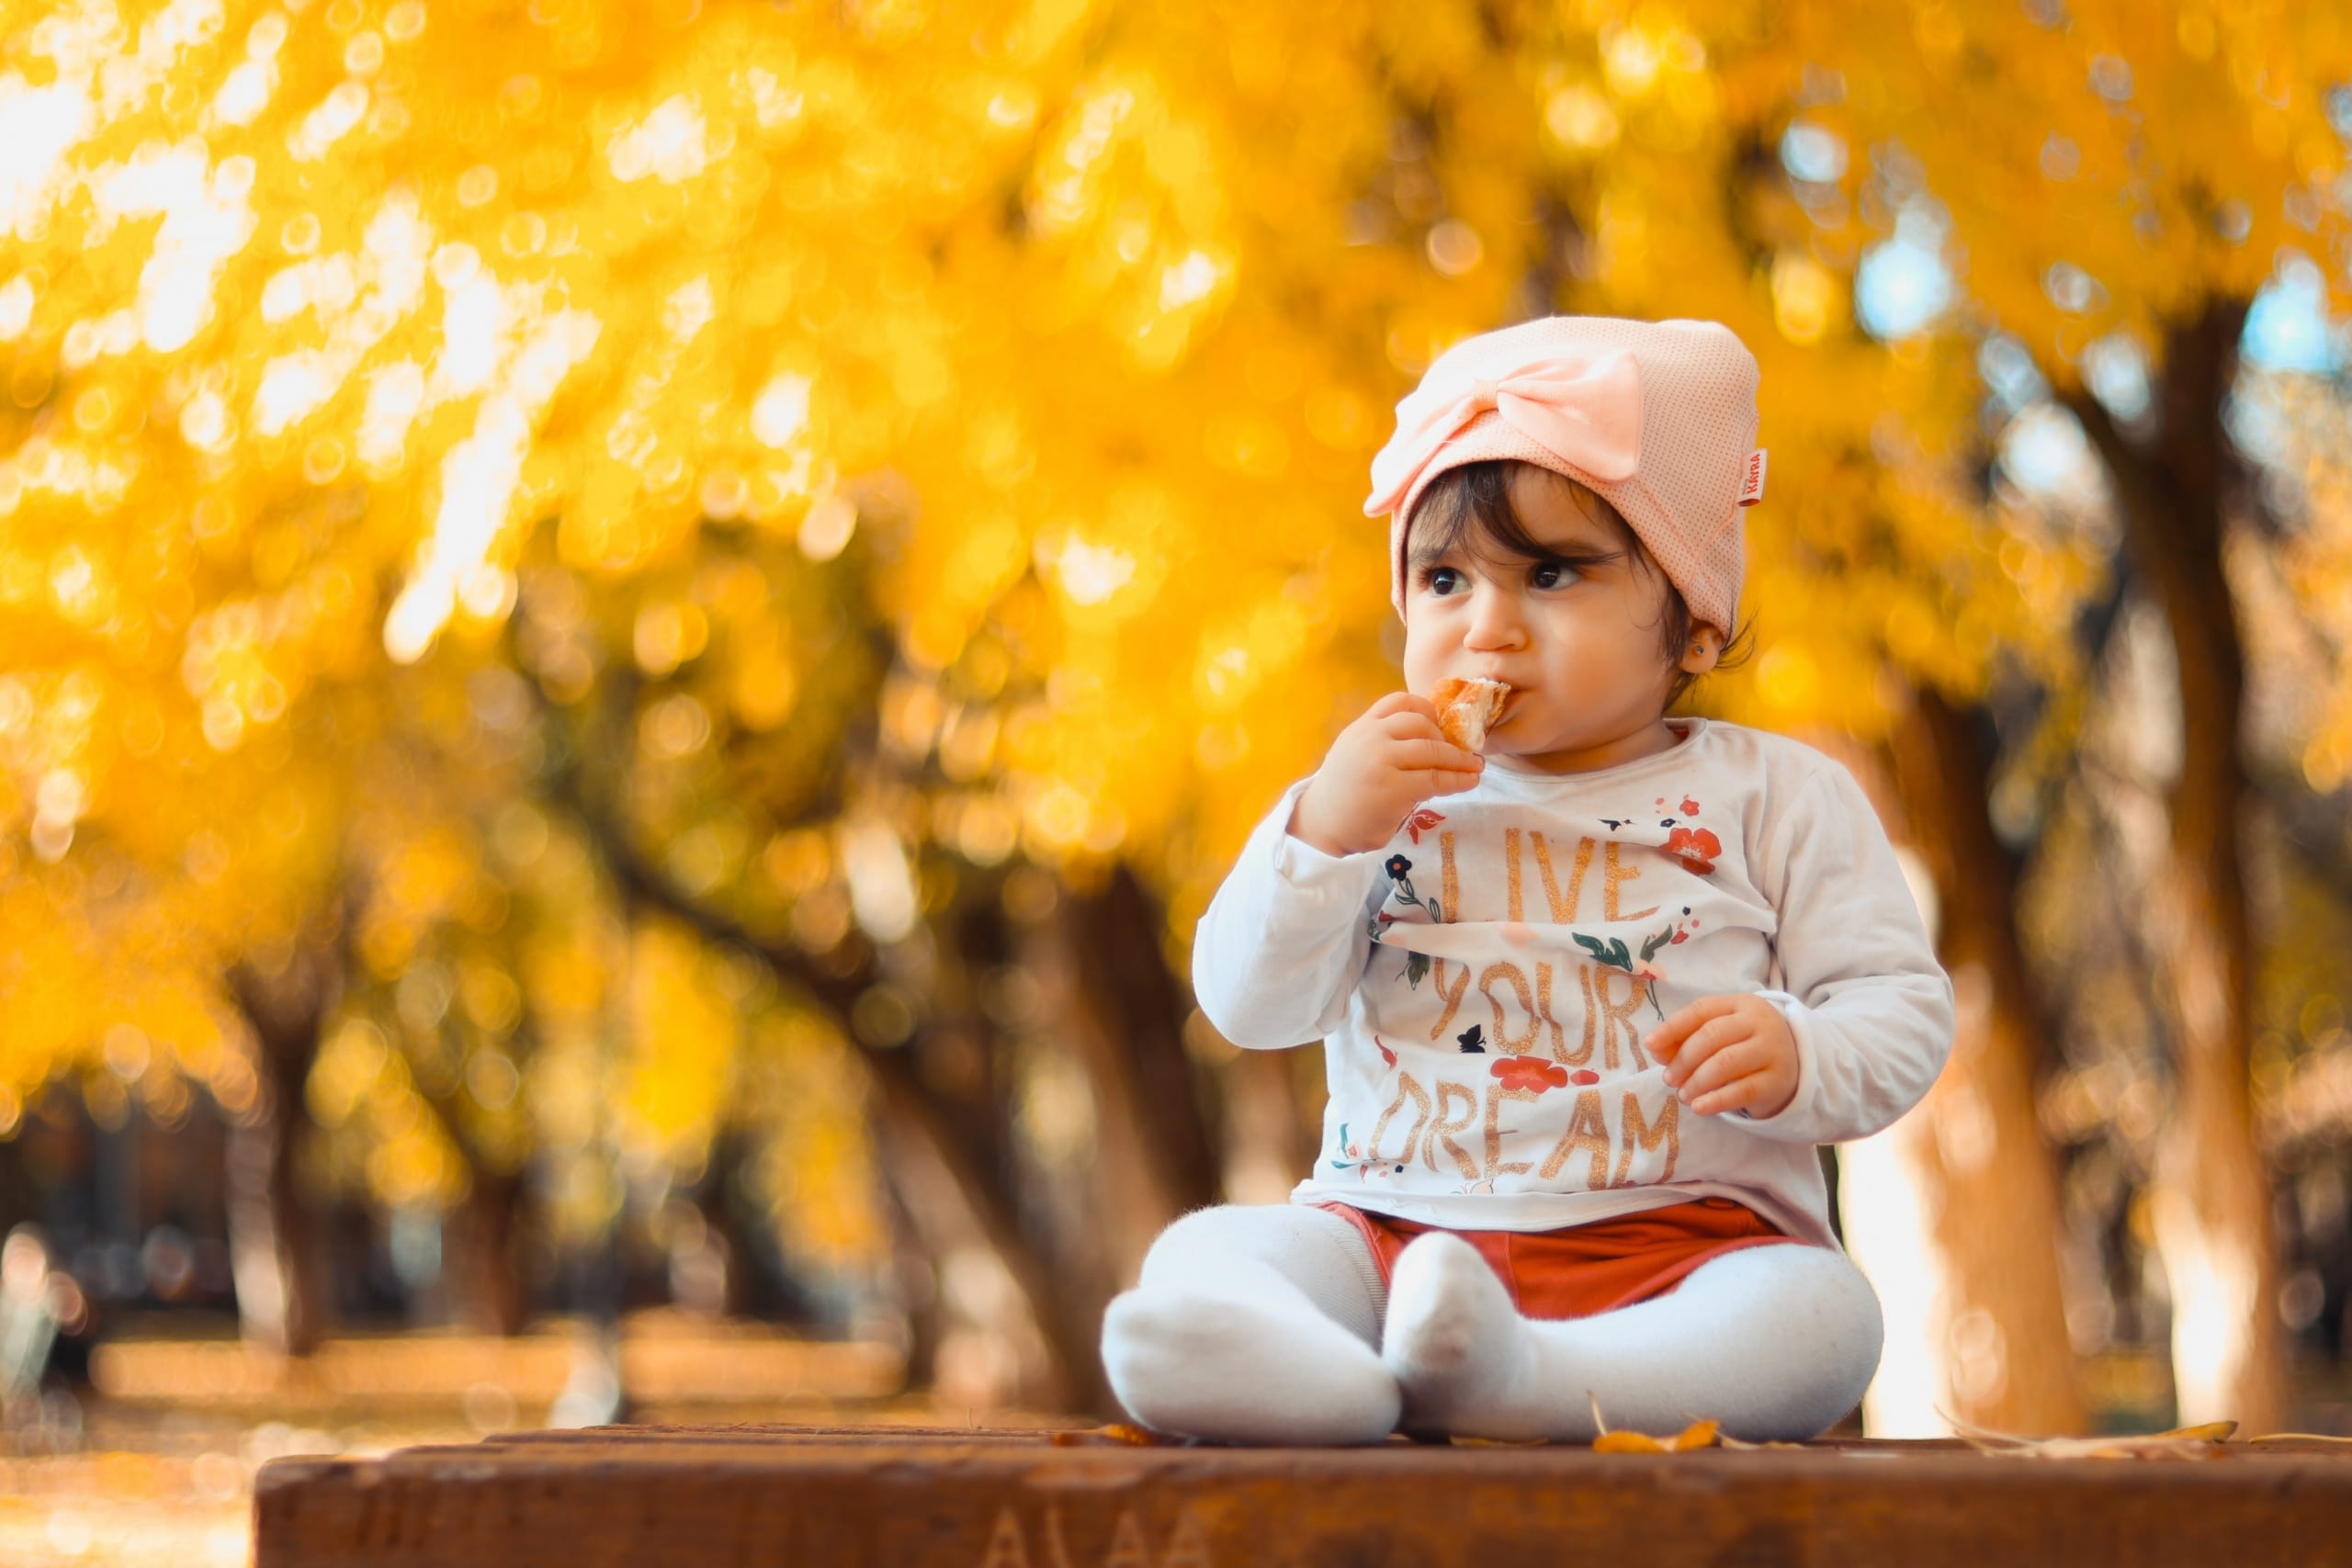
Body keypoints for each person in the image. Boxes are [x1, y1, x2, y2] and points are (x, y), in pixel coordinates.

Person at [1101, 316, 1955, 1446]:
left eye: (1550, 574)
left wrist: (1801, 1050)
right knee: (1208, 1248)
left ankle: (1533, 1378)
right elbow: (1249, 1007)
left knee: (1822, 1319)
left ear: (1693, 623)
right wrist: (1320, 835)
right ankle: (1328, 1386)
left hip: (1681, 1244)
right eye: (1444, 578)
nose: (1487, 629)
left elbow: (1899, 1010)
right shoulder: (1369, 797)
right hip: (1388, 1235)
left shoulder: (1776, 796)